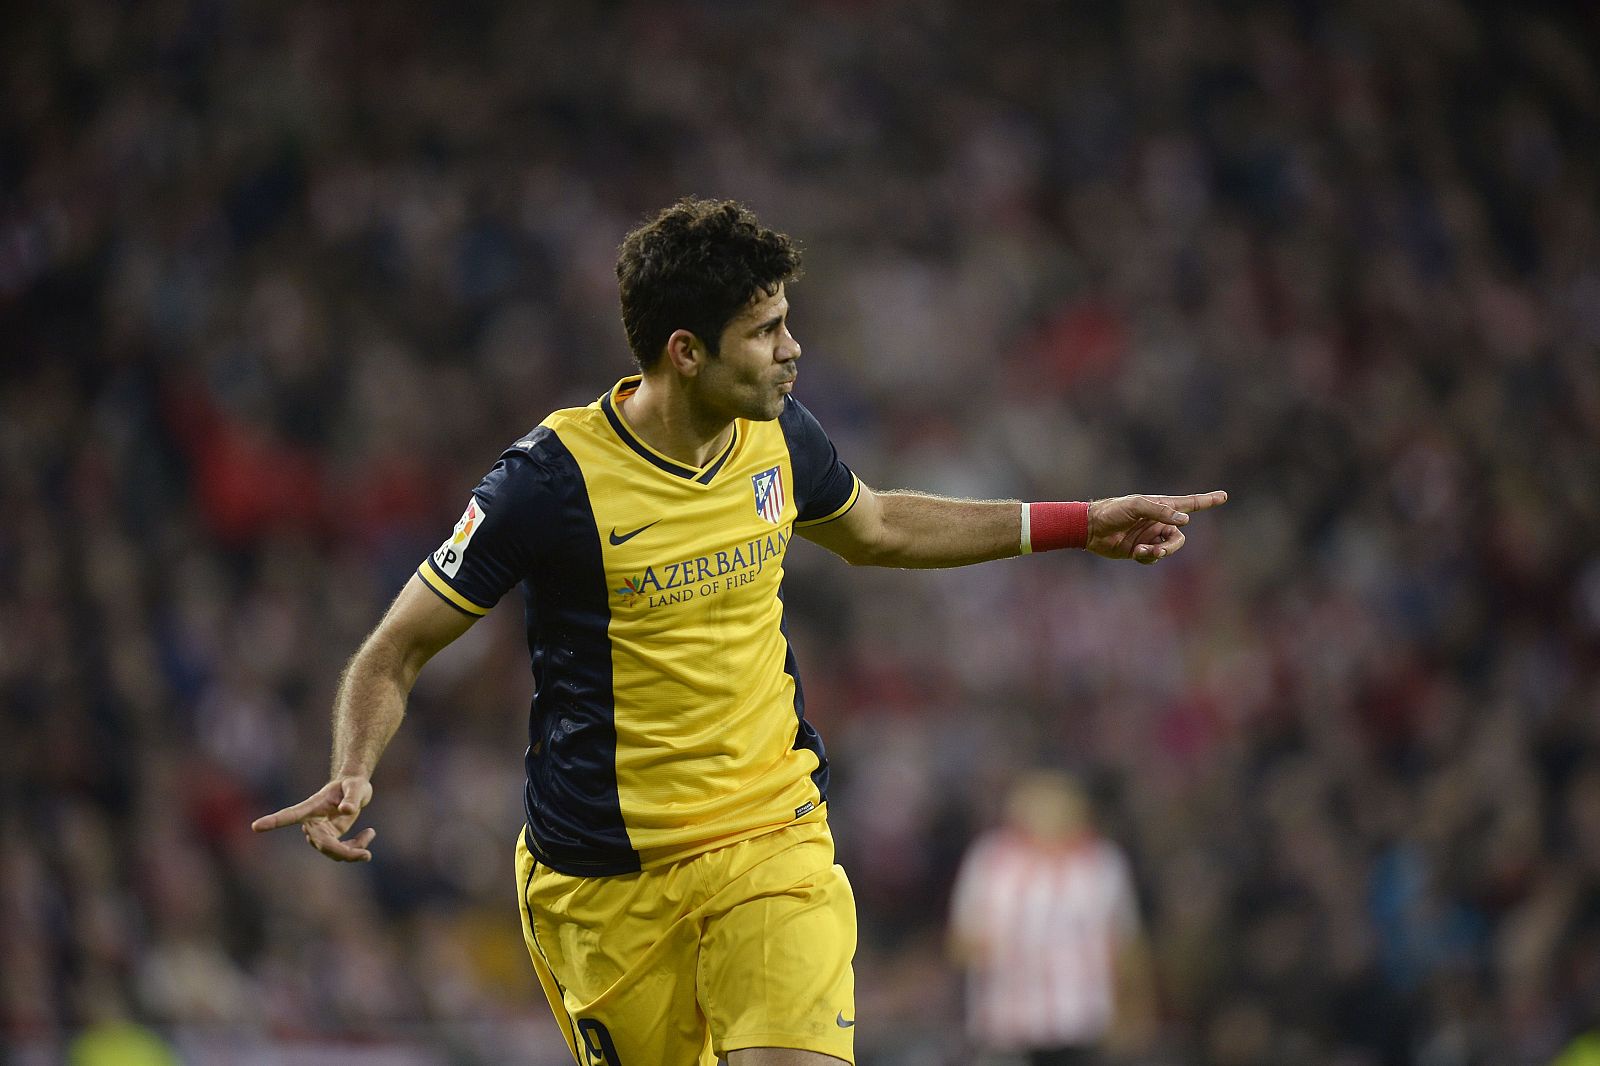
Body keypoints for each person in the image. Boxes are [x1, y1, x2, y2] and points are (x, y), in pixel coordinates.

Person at [251, 198, 1226, 1066]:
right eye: (764, 331)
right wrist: (354, 765)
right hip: (603, 882)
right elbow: (396, 647)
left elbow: (876, 526)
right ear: (686, 351)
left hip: (770, 835)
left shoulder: (778, 435)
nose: (792, 348)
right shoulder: (545, 486)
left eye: (786, 321)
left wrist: (1077, 521)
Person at [949, 771, 1156, 1066]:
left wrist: (1135, 1013)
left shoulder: (1101, 863)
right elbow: (961, 941)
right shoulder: (991, 859)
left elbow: (1125, 945)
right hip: (1007, 1026)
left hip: (1083, 1023)